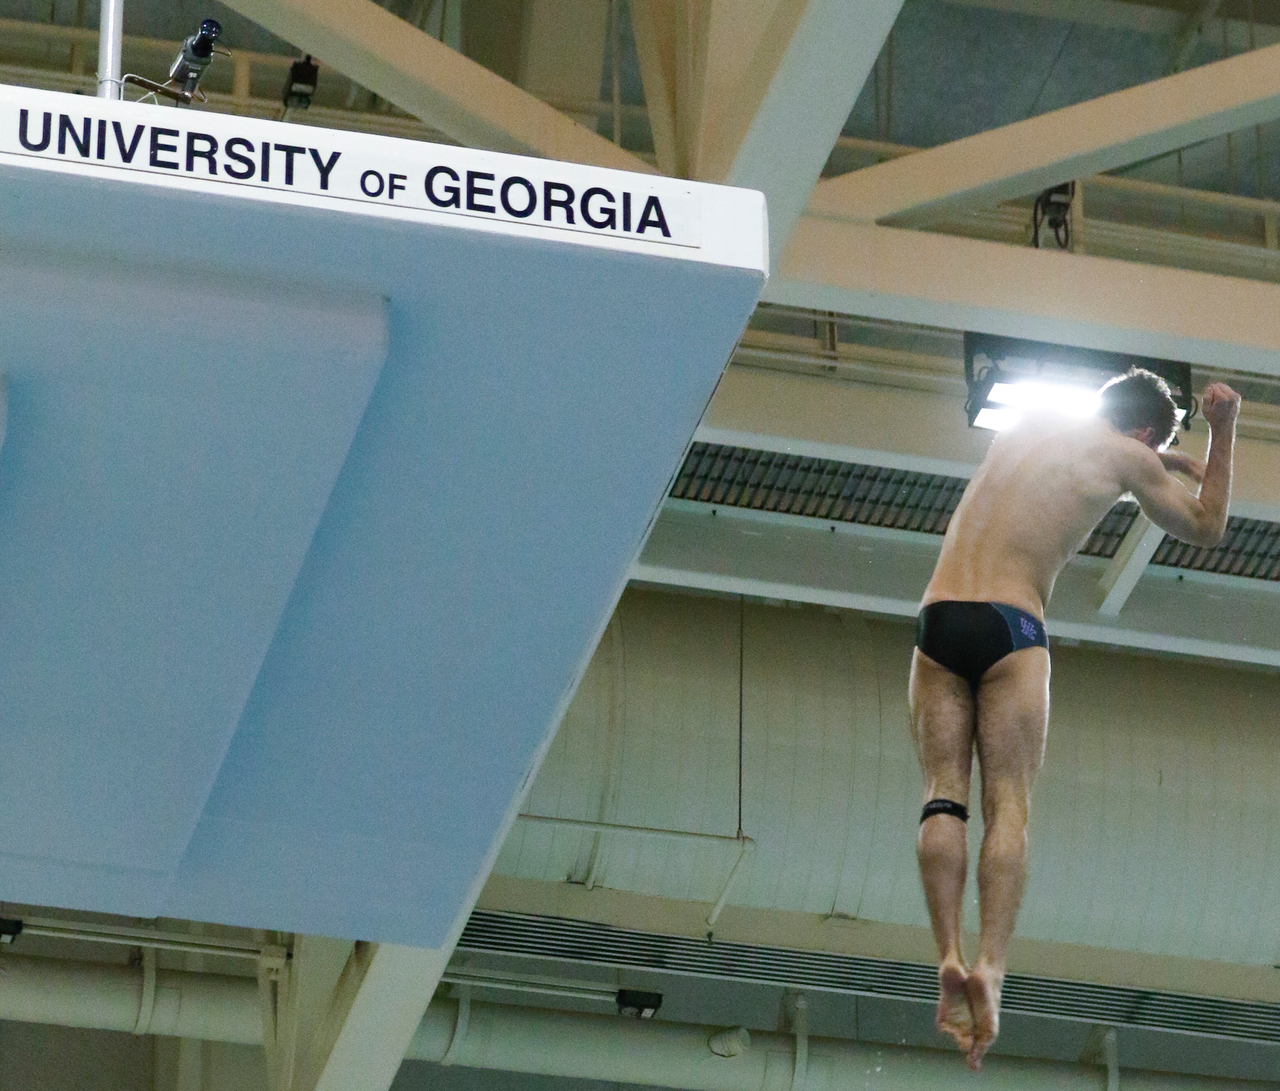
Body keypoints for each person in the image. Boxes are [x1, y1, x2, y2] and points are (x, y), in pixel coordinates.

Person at [909, 369, 1240, 1069]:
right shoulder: (1128, 457)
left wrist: (1155, 456)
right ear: (1148, 434)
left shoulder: (1024, 423)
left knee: (944, 791)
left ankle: (946, 951)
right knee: (1009, 808)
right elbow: (1208, 525)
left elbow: (1091, 456)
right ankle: (990, 968)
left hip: (938, 618)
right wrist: (1221, 429)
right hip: (1010, 623)